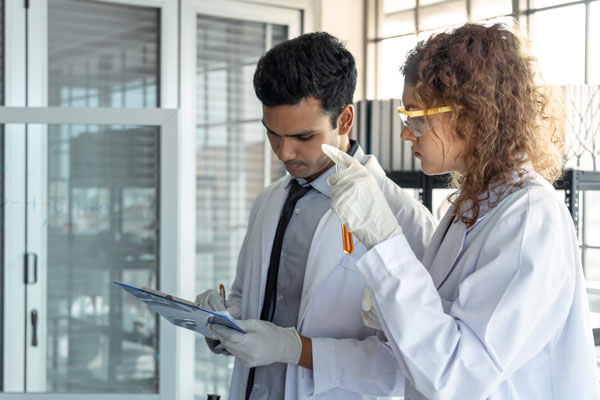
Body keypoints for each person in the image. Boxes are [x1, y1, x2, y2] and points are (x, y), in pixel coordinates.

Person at [321, 23, 600, 399]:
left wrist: (386, 243)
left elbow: (456, 376)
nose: (406, 134)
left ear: (470, 117)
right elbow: (439, 332)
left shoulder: (532, 216)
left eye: (416, 118)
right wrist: (392, 309)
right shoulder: (467, 207)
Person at [195, 32, 437, 400]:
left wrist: (293, 349)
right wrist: (223, 322)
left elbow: (411, 363)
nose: (283, 152)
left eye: (302, 137)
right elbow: (249, 298)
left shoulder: (403, 219)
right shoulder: (268, 201)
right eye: (272, 134)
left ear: (344, 119)